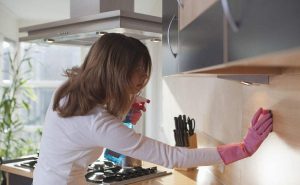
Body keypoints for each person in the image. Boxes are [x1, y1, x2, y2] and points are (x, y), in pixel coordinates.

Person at [32, 33, 273, 185]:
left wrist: (124, 109)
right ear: (117, 71)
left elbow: (87, 130)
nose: (145, 75)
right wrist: (243, 149)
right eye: (138, 69)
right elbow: (172, 156)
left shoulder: (69, 89)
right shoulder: (97, 122)